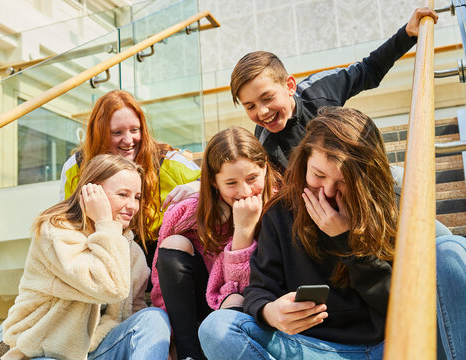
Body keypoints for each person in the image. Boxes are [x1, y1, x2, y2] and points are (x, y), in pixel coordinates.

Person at [198, 107, 466, 360]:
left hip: (398, 342)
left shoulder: (394, 206)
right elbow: (259, 289)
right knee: (217, 328)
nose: (326, 191)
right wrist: (270, 312)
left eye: (342, 182)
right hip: (317, 349)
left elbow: (406, 308)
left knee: (450, 249)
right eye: (318, 175)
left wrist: (348, 242)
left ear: (366, 180)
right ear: (304, 163)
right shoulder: (280, 213)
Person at [2, 154, 170, 360]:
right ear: (92, 192)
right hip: (45, 352)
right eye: (123, 194)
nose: (133, 206)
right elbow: (111, 288)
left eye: (136, 197)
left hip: (99, 349)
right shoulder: (56, 232)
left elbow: (133, 310)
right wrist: (104, 221)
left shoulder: (129, 249)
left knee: (153, 318)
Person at [230, 7, 438, 172]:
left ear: (290, 86)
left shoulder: (320, 89)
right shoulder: (264, 143)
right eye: (250, 106)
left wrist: (407, 35)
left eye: (267, 98)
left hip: (361, 172)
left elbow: (368, 70)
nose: (262, 112)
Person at [150, 127, 278, 360]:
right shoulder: (187, 212)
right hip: (204, 301)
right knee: (173, 243)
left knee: (234, 298)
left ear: (265, 169)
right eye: (231, 183)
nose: (245, 191)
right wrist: (167, 330)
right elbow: (161, 279)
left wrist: (244, 231)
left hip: (253, 306)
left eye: (252, 178)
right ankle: (189, 354)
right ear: (214, 182)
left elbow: (240, 288)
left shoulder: (279, 209)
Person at [59, 90, 201, 258]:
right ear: (99, 133)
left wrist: (197, 185)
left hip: (158, 256)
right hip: (101, 253)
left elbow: (213, 182)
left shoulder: (166, 161)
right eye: (117, 132)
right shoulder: (76, 166)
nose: (128, 140)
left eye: (134, 130)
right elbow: (68, 222)